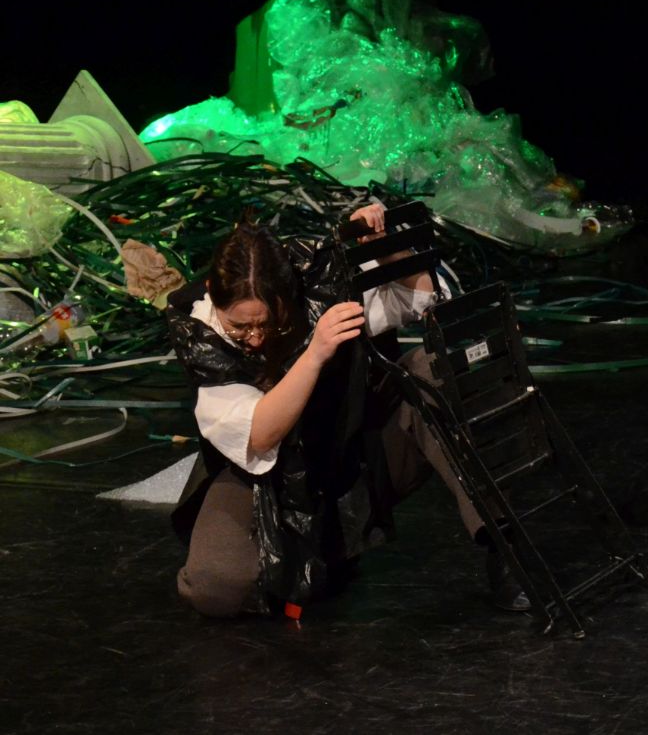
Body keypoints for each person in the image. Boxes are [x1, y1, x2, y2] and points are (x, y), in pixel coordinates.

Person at [166, 203, 527, 617]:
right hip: (261, 478)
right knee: (214, 588)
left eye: (267, 323)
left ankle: (507, 547)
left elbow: (423, 300)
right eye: (240, 327)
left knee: (430, 371)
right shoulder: (201, 328)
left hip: (346, 456)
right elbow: (259, 435)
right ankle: (320, 554)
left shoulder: (318, 285)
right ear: (213, 294)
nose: (254, 338)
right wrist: (315, 353)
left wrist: (386, 249)